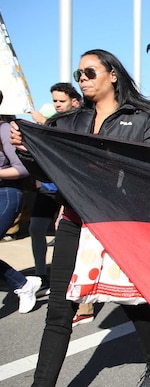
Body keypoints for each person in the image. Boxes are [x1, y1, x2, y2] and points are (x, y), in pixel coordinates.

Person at [0, 49, 150, 387]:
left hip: (119, 226)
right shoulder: (71, 121)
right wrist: (29, 149)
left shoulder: (141, 121)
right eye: (78, 73)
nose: (82, 78)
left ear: (112, 75)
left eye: (90, 71)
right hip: (74, 222)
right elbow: (45, 172)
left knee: (132, 303)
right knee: (58, 313)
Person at [30, 83, 82, 303]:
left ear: (74, 101)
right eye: (55, 101)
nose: (58, 105)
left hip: (67, 192)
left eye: (62, 101)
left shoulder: (80, 123)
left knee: (65, 236)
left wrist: (44, 125)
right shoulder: (51, 120)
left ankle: (73, 285)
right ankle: (41, 275)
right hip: (47, 189)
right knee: (35, 229)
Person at [0, 91, 42, 313]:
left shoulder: (4, 129)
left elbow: (23, 168)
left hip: (6, 195)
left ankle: (23, 285)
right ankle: (23, 283)